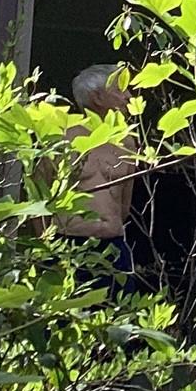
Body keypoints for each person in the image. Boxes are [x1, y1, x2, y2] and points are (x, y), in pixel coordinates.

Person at [60, 63, 137, 281]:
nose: (128, 97)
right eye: (120, 90)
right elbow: (41, 196)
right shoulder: (63, 139)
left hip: (114, 244)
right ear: (97, 97)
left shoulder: (126, 142)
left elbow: (125, 203)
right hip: (70, 244)